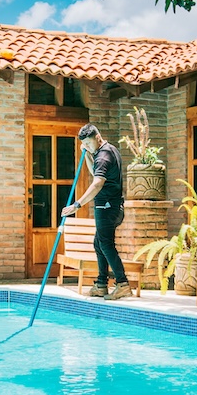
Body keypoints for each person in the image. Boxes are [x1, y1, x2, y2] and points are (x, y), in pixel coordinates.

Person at [61, 124, 132, 300]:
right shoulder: (108, 150)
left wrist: (77, 205)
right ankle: (101, 284)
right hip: (111, 206)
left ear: (97, 137)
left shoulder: (104, 156)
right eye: (84, 143)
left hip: (107, 206)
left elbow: (97, 183)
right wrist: (86, 154)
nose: (88, 146)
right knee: (99, 243)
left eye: (89, 143)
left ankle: (122, 284)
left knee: (106, 244)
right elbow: (95, 173)